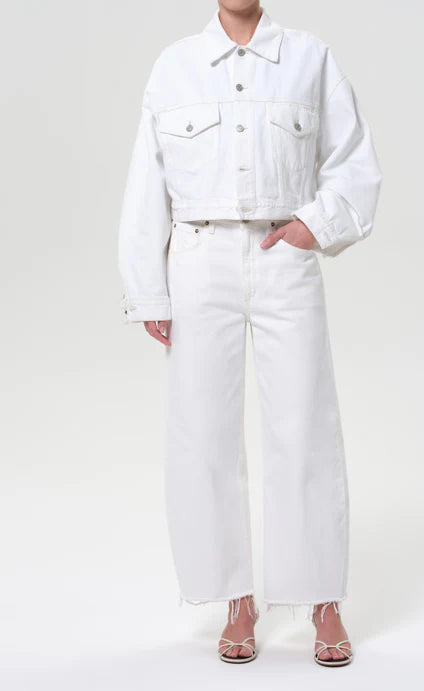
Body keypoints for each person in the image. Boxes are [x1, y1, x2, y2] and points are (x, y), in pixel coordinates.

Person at [118, 0, 382, 667]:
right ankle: (236, 599)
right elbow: (147, 181)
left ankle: (323, 600)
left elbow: (353, 161)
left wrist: (313, 225)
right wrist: (147, 286)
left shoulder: (310, 58)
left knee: (305, 424)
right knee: (202, 430)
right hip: (196, 259)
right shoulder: (174, 65)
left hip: (281, 253)